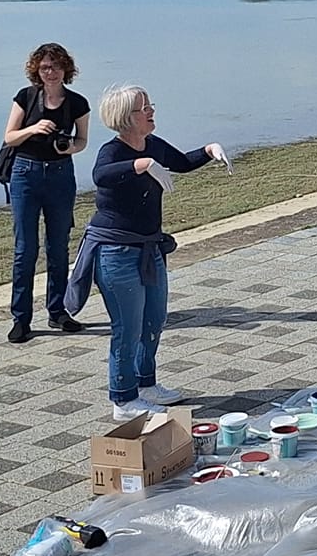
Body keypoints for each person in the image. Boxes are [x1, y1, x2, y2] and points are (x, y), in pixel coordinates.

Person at [67, 85, 226, 419]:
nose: (151, 111)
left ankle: (145, 384)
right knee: (127, 327)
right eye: (144, 108)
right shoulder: (113, 151)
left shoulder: (152, 144)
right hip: (115, 252)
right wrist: (141, 164)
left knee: (154, 319)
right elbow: (101, 176)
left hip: (149, 248)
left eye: (150, 105)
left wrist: (209, 150)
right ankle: (123, 400)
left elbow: (181, 162)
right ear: (126, 117)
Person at [2, 42, 92, 344]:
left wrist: (68, 148)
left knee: (58, 246)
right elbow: (10, 137)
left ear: (66, 68)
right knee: (25, 249)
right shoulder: (25, 97)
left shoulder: (77, 103)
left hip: (60, 175)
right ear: (36, 70)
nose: (50, 72)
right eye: (44, 67)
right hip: (25, 174)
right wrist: (33, 129)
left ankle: (57, 311)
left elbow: (82, 141)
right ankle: (21, 319)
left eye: (55, 66)